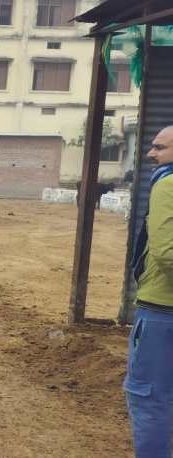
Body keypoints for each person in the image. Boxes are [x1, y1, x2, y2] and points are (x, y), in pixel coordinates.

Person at [125, 125, 173, 457]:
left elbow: (166, 252)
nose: (151, 153)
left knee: (148, 397)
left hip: (162, 311)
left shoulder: (167, 183)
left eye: (159, 147)